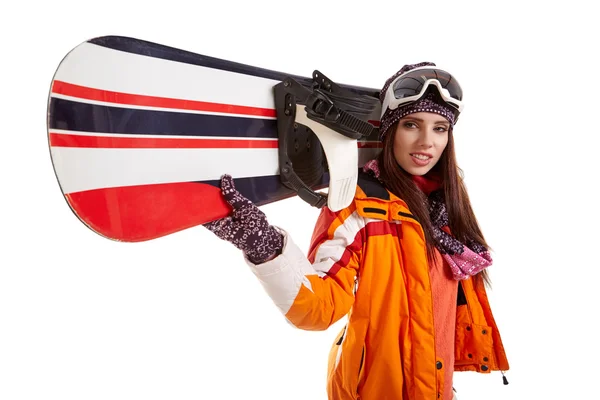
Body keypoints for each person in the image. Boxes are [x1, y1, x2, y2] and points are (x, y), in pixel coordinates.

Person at [203, 62, 510, 400]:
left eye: (440, 128)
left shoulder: (448, 211)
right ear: (390, 130)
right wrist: (265, 246)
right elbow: (319, 308)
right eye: (412, 125)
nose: (427, 142)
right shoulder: (358, 208)